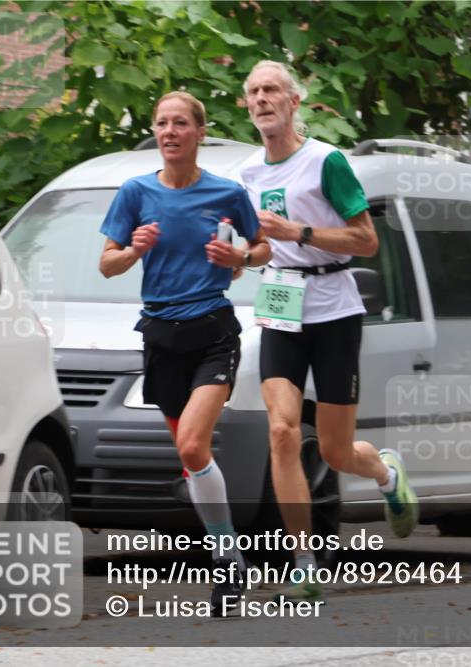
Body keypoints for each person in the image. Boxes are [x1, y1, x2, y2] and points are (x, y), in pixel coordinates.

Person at [240, 61, 419, 602]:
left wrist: (301, 231)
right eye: (253, 91)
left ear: (294, 101)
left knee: (337, 451)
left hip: (334, 307)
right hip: (279, 301)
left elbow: (366, 241)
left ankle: (385, 474)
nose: (261, 98)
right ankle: (303, 563)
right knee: (282, 431)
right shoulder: (247, 173)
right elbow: (260, 247)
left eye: (271, 90)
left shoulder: (326, 161)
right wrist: (240, 257)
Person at [98, 91, 271, 617]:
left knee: (194, 445)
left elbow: (263, 248)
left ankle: (224, 559)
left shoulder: (227, 192)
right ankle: (231, 554)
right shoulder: (135, 192)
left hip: (213, 331)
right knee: (191, 457)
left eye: (179, 123)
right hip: (160, 336)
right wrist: (134, 250)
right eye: (161, 123)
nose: (169, 132)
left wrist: (239, 255)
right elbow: (107, 263)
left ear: (199, 132)